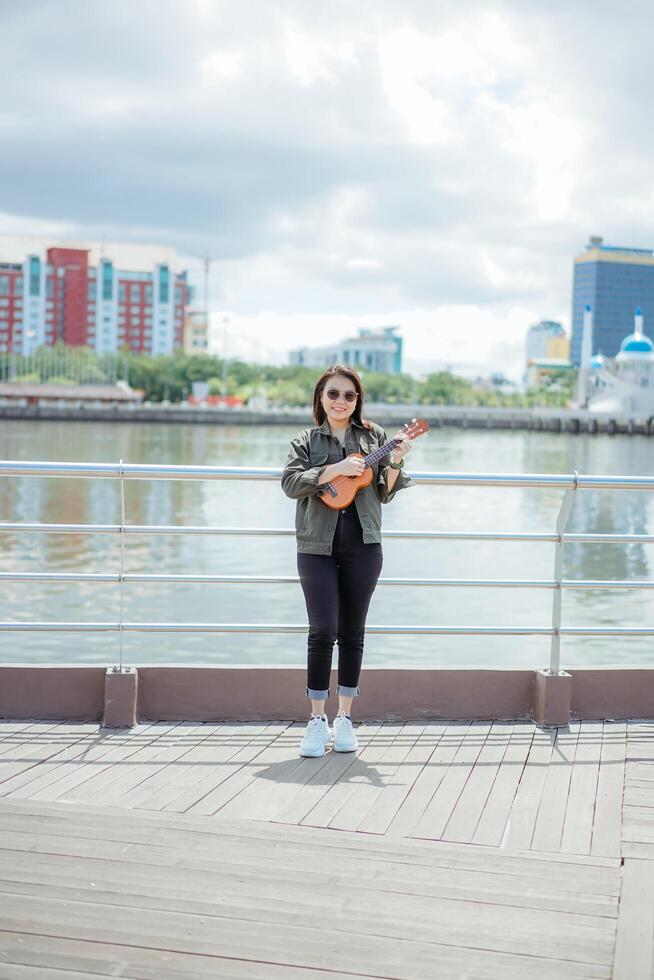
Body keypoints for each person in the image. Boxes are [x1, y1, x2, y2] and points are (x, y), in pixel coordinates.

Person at [281, 364, 414, 758]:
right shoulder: (306, 440)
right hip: (316, 546)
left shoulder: (375, 438)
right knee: (322, 630)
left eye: (349, 395)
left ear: (358, 400)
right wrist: (333, 470)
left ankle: (346, 719)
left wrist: (395, 463)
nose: (341, 401)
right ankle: (316, 720)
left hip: (364, 545)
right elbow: (290, 484)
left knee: (353, 631)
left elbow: (386, 493)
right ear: (321, 397)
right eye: (333, 393)